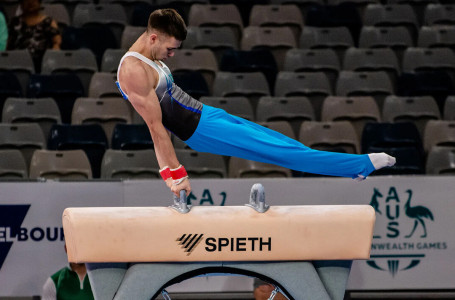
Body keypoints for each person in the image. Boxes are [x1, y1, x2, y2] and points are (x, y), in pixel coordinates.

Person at [116, 9, 396, 197]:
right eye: (170, 49)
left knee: (280, 141)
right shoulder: (133, 71)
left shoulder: (148, 49)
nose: (172, 55)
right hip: (201, 131)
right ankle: (359, 165)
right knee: (278, 153)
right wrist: (175, 176)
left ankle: (347, 167)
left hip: (207, 116)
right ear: (153, 38)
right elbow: (156, 128)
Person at [7, 0, 61, 71]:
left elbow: (56, 43)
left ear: (39, 2)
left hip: (42, 64)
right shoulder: (15, 22)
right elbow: (9, 46)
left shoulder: (49, 22)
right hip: (17, 64)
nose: (30, 2)